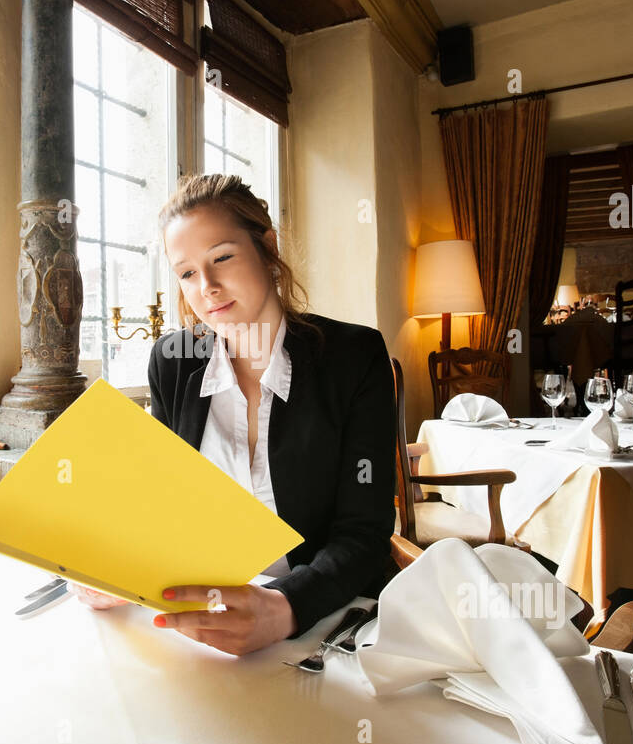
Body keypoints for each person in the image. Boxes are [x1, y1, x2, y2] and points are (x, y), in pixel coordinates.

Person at [74, 173, 397, 655]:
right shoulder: (172, 360)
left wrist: (283, 608)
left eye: (222, 257)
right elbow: (159, 501)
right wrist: (117, 564)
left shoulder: (354, 356)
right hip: (204, 623)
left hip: (327, 623)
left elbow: (365, 534)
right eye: (186, 273)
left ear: (266, 246)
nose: (206, 287)